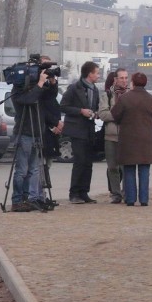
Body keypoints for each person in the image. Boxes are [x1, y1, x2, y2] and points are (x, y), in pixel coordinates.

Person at [111, 72, 152, 206]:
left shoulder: (125, 98)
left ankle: (130, 199)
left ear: (133, 82)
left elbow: (115, 115)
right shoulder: (151, 99)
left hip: (128, 138)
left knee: (129, 169)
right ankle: (144, 199)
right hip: (146, 139)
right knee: (144, 169)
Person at [60, 61, 100, 204]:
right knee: (80, 161)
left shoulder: (94, 89)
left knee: (88, 162)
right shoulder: (74, 88)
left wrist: (95, 113)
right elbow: (63, 106)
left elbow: (95, 106)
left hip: (89, 129)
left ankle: (84, 192)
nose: (98, 75)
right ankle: (74, 193)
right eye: (97, 73)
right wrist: (80, 111)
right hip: (76, 129)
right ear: (89, 74)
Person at [10, 69, 49, 213]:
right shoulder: (18, 91)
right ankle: (17, 200)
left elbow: (48, 96)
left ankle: (29, 198)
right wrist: (39, 83)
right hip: (24, 133)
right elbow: (29, 99)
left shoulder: (34, 89)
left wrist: (50, 82)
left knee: (34, 169)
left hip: (36, 133)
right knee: (22, 170)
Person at [35, 55, 63, 209]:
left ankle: (44, 195)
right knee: (40, 166)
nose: (48, 69)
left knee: (48, 164)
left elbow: (52, 96)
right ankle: (39, 195)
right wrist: (54, 123)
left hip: (52, 131)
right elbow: (42, 108)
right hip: (43, 130)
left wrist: (52, 80)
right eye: (45, 66)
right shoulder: (36, 85)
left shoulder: (46, 84)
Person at [98, 68, 129, 203]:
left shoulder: (130, 95)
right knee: (112, 167)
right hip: (110, 136)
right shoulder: (107, 95)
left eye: (126, 78)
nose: (124, 80)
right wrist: (118, 115)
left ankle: (127, 193)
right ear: (115, 79)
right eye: (121, 78)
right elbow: (103, 114)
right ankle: (115, 194)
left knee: (126, 167)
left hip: (126, 136)